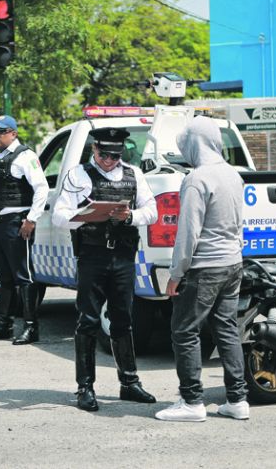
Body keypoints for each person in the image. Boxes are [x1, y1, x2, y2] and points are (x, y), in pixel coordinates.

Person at [52, 127, 158, 411]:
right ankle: (85, 387)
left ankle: (129, 383)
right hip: (92, 255)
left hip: (123, 256)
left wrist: (130, 216)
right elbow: (59, 215)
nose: (109, 161)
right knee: (88, 320)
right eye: (104, 155)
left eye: (115, 156)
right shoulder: (78, 175)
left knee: (123, 319)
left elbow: (152, 211)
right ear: (94, 149)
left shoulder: (134, 175)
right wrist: (84, 216)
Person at [154, 115, 249, 422]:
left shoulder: (197, 179)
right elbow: (239, 222)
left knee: (184, 331)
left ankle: (192, 402)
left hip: (204, 267)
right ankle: (237, 400)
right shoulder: (233, 174)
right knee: (227, 330)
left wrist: (176, 273)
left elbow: (188, 232)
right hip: (232, 263)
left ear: (194, 144)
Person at [0, 115, 49, 345]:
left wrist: (31, 219)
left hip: (16, 224)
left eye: (1, 131)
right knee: (4, 277)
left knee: (24, 276)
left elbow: (42, 188)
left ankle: (31, 327)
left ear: (13, 133)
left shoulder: (25, 157)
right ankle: (3, 325)